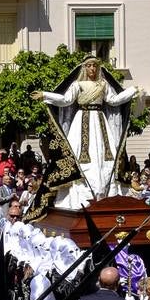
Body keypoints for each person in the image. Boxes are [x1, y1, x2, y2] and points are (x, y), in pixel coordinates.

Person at [33, 57, 137, 209]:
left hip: (100, 122)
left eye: (95, 66)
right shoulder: (78, 84)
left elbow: (113, 100)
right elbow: (66, 100)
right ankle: (81, 196)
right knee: (80, 155)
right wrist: (46, 95)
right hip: (82, 120)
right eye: (89, 66)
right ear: (84, 68)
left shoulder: (103, 84)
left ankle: (106, 193)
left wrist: (133, 91)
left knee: (104, 155)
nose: (92, 69)